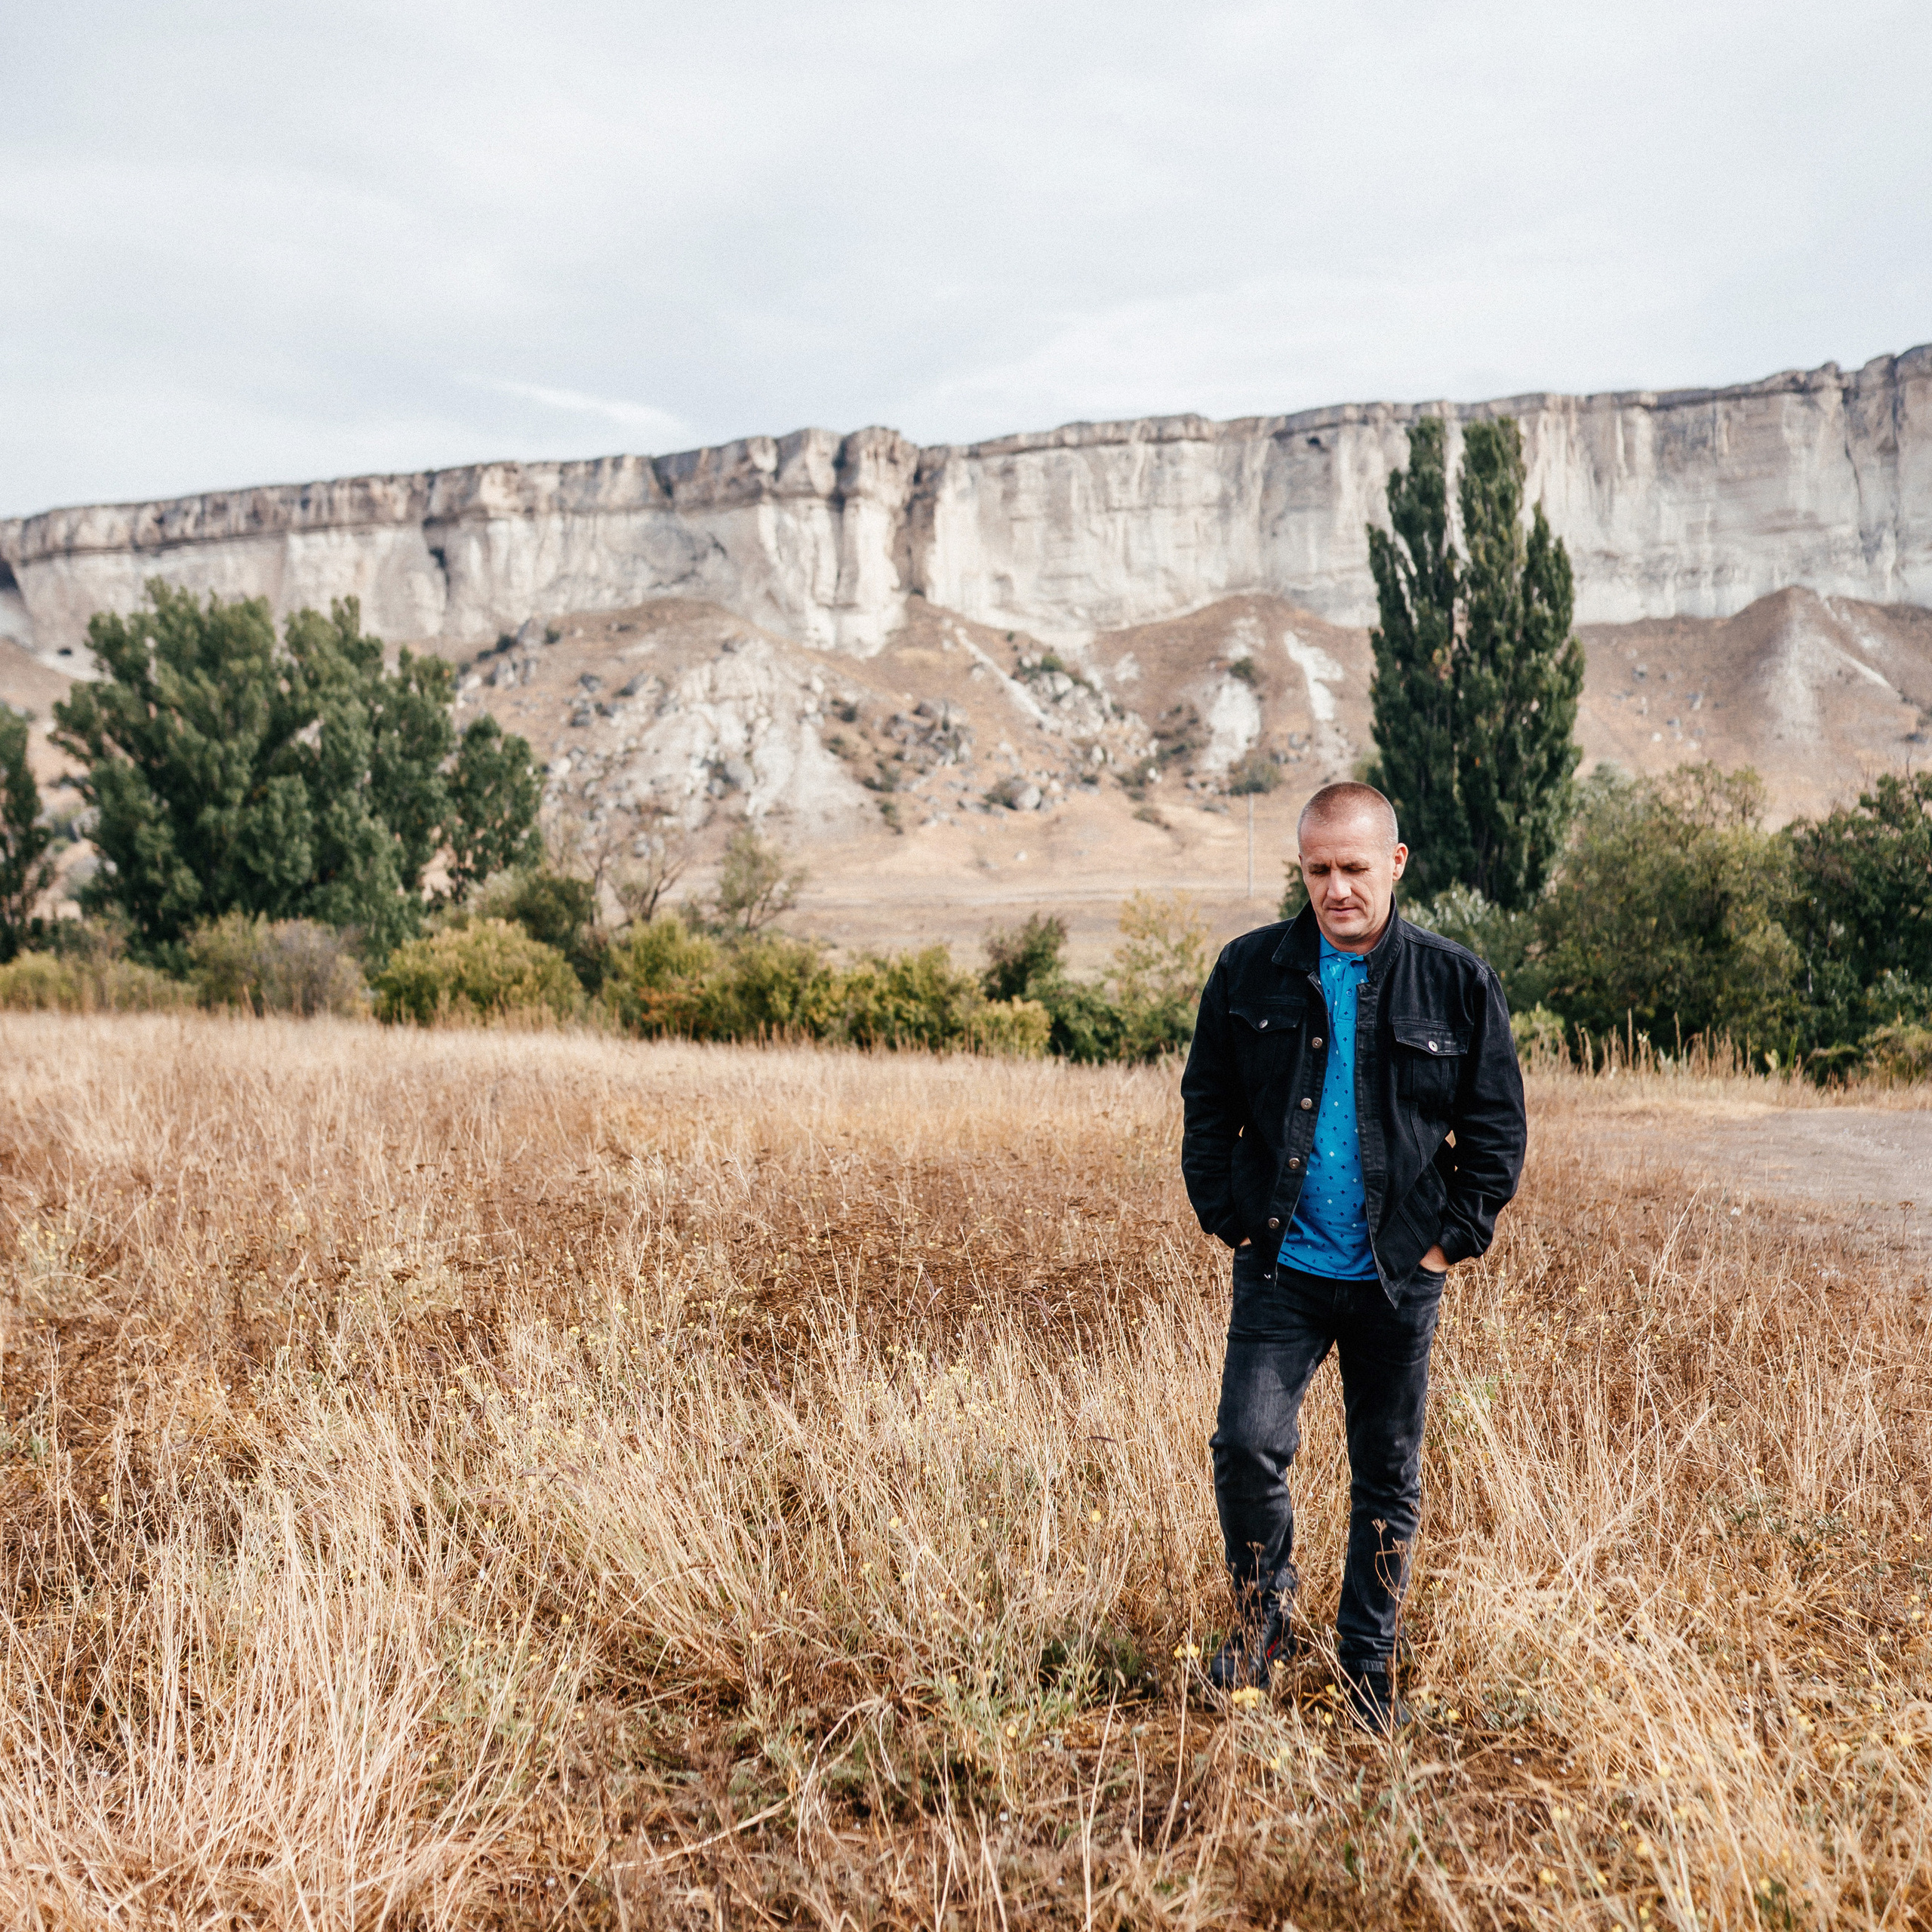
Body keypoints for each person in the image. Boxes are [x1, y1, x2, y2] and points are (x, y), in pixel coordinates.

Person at [1180, 780, 1527, 1730]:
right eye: (1318, 869)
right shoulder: (1247, 969)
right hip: (1281, 1268)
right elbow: (1207, 1105)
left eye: (1354, 868)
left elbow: (1495, 1131)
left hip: (1394, 1276)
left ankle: (1366, 1665)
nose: (1336, 888)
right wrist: (1230, 1218)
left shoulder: (1455, 981)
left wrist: (1446, 1246)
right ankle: (1261, 1631)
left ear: (1395, 863)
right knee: (1246, 1446)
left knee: (1386, 1471)